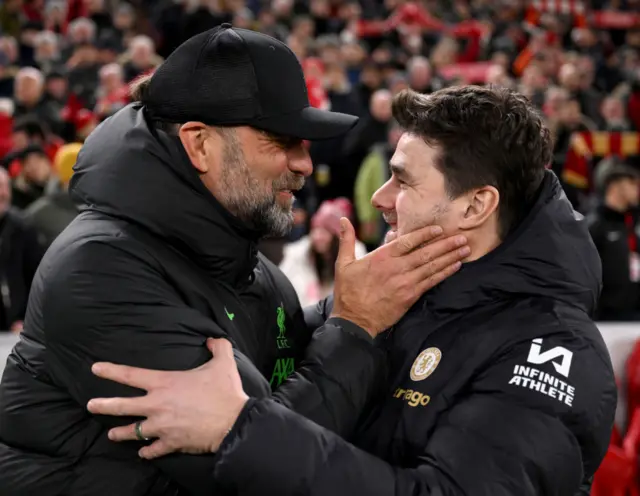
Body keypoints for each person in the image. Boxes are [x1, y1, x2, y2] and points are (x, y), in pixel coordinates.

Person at [0, 25, 468, 496]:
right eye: (282, 140)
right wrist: (354, 326)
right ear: (200, 144)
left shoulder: (250, 267)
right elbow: (255, 473)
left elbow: (286, 393)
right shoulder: (101, 271)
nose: (304, 162)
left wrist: (355, 302)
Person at [88, 86, 617, 496]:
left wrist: (240, 429)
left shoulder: (552, 349)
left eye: (402, 181)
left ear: (475, 206)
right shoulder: (393, 293)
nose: (380, 199)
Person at [279, 198, 367, 308]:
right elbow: (283, 284)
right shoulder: (299, 253)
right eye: (315, 229)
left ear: (336, 235)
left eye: (325, 230)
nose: (318, 236)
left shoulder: (355, 253)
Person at [587, 159, 640, 321]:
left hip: (634, 313)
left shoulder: (632, 223)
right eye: (633, 184)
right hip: (605, 317)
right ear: (616, 185)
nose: (637, 190)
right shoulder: (595, 225)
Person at [0, 168, 44, 333]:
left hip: (16, 328)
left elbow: (37, 279)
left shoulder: (23, 227)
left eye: (6, 187)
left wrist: (26, 319)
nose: (3, 193)